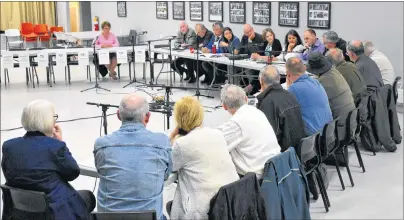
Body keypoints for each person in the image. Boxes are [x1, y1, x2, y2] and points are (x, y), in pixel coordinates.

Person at [1, 100, 95, 220]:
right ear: (47, 121)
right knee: (88, 197)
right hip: (54, 211)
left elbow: (9, 173)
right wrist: (59, 142)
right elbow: (73, 173)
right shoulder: (54, 146)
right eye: (54, 117)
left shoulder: (9, 146)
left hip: (21, 210)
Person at [94, 94, 172, 220]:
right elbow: (166, 175)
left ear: (118, 115)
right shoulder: (162, 143)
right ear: (147, 117)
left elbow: (100, 170)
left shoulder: (101, 144)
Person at [166, 97, 239, 220]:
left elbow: (168, 167)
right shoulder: (217, 134)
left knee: (171, 205)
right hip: (228, 203)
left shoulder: (182, 144)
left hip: (202, 210)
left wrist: (172, 136)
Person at [217, 84, 281, 179]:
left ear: (224, 106)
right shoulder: (257, 112)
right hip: (275, 167)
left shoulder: (236, 124)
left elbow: (216, 144)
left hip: (256, 177)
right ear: (246, 99)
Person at [256, 65, 306, 152]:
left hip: (284, 153)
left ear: (261, 81)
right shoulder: (289, 94)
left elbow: (269, 136)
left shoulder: (269, 102)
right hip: (298, 148)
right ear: (279, 78)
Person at [286, 57, 333, 135]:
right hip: (329, 132)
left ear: (288, 74)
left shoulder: (293, 88)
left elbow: (286, 112)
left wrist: (289, 87)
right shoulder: (315, 81)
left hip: (314, 138)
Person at [306, 52, 355, 119]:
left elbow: (313, 103)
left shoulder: (322, 81)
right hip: (350, 118)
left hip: (340, 123)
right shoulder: (334, 71)